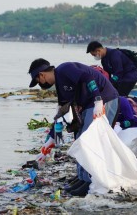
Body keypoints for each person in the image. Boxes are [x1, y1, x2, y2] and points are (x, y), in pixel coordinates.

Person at [28, 58, 119, 197]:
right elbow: (62, 115)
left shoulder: (65, 69)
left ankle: (91, 181)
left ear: (42, 75)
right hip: (88, 105)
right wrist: (50, 142)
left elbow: (88, 76)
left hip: (104, 98)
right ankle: (83, 178)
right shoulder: (60, 86)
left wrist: (98, 100)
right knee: (79, 140)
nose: (40, 85)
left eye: (38, 81)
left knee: (89, 142)